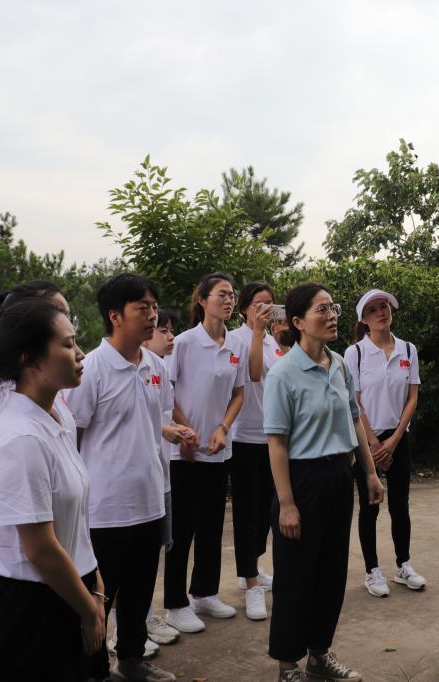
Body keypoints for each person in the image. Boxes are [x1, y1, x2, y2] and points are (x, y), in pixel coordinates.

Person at [0, 299, 104, 681]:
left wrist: (95, 583)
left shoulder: (56, 414)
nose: (80, 354)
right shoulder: (20, 438)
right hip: (32, 607)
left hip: (69, 587)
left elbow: (73, 519)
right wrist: (88, 609)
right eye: (68, 344)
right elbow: (40, 549)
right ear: (30, 359)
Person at [264, 283, 385, 682]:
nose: (332, 315)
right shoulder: (283, 374)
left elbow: (354, 419)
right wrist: (287, 503)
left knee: (331, 572)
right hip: (302, 481)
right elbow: (277, 444)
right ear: (298, 322)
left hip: (338, 476)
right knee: (295, 576)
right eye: (322, 309)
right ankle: (287, 666)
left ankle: (319, 654)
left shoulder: (339, 364)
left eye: (333, 307)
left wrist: (369, 473)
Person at [65, 274, 176, 682]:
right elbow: (73, 436)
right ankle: (94, 670)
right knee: (100, 596)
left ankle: (131, 659)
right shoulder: (92, 369)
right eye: (141, 308)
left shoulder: (156, 366)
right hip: (105, 508)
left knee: (140, 590)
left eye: (154, 307)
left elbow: (154, 425)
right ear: (114, 316)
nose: (152, 316)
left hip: (149, 500)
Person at [162, 273, 246, 634]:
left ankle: (205, 593)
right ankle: (175, 603)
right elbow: (167, 392)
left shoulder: (236, 345)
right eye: (221, 294)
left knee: (212, 525)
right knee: (182, 529)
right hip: (184, 452)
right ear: (202, 299)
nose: (228, 300)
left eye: (231, 295)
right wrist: (186, 429)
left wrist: (222, 428)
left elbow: (239, 393)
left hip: (218, 450)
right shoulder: (184, 342)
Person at [344, 289, 425, 598]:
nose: (381, 312)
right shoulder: (356, 353)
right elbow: (354, 401)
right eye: (373, 309)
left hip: (398, 437)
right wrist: (375, 443)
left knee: (400, 504)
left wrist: (394, 439)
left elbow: (412, 397)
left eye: (384, 306)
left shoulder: (408, 349)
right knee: (370, 505)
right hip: (366, 440)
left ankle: (403, 565)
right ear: (363, 320)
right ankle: (372, 570)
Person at [139, 309, 194, 647]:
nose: (170, 337)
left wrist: (175, 430)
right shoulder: (114, 366)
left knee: (152, 551)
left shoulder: (158, 368)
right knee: (130, 558)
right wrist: (165, 430)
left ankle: (144, 617)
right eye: (164, 330)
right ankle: (127, 626)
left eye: (171, 330)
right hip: (133, 480)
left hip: (160, 474)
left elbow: (159, 415)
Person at [228, 282, 282, 620]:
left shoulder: (274, 341)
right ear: (245, 308)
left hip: (272, 437)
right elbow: (254, 373)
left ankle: (253, 566)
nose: (265, 309)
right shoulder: (236, 339)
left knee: (267, 510)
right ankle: (250, 584)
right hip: (244, 436)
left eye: (270, 304)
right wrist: (259, 333)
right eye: (259, 304)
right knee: (247, 513)